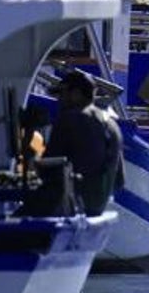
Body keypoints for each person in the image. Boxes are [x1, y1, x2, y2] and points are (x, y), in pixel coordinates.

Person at [44, 69, 125, 216]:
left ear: (76, 94)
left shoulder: (70, 119)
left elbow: (47, 167)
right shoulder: (113, 126)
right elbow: (119, 182)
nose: (59, 100)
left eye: (62, 94)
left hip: (70, 208)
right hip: (98, 210)